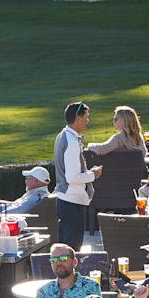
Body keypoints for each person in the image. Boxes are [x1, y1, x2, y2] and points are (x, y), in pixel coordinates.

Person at [54, 102, 96, 252]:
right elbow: (72, 177)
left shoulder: (62, 136)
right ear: (78, 118)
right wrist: (93, 174)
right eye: (86, 117)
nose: (87, 120)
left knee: (64, 248)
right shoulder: (71, 142)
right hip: (73, 201)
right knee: (72, 250)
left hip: (65, 200)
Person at [33, 242, 102, 298]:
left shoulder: (90, 287)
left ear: (75, 262)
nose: (58, 263)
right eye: (54, 260)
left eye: (63, 258)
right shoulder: (43, 292)